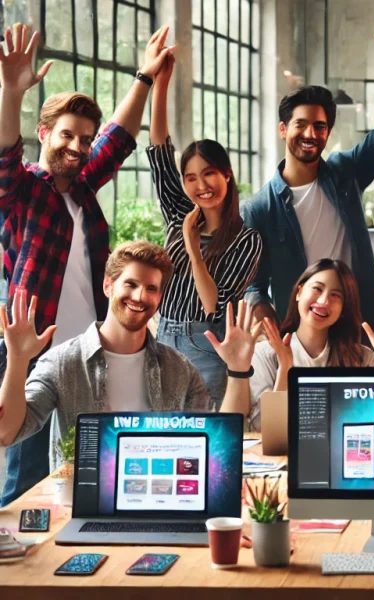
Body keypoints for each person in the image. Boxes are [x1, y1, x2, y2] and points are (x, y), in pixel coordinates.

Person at [0, 24, 174, 505]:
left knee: (88, 471)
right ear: (43, 134)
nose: (77, 147)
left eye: (84, 139)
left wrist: (144, 76)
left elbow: (117, 139)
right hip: (34, 349)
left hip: (88, 353)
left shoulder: (80, 190)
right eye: (67, 136)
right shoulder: (24, 191)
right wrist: (11, 91)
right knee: (26, 473)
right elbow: (4, 157)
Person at [0, 242, 259, 470]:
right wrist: (18, 361)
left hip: (161, 504)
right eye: (131, 284)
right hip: (83, 510)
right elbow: (6, 433)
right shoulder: (62, 363)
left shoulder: (179, 369)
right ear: (108, 285)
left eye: (151, 288)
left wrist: (237, 370)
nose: (139, 296)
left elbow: (215, 445)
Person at [243, 2, 374, 332]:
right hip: (302, 335)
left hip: (359, 323)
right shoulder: (259, 209)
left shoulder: (344, 173)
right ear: (283, 130)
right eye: (301, 124)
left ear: (328, 132)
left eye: (320, 126)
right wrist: (279, 335)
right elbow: (254, 288)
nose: (311, 134)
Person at [147, 52, 262, 407]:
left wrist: (193, 248)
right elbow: (158, 152)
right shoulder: (179, 211)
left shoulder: (247, 241)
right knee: (161, 434)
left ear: (227, 173)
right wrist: (161, 83)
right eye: (191, 177)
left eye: (209, 173)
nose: (202, 185)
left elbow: (213, 304)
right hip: (162, 334)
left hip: (205, 341)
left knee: (206, 437)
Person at [248, 259, 374, 431]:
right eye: (317, 289)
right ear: (299, 292)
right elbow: (261, 430)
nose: (324, 301)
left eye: (336, 295)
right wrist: (285, 368)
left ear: (343, 309)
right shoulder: (265, 353)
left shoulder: (363, 358)